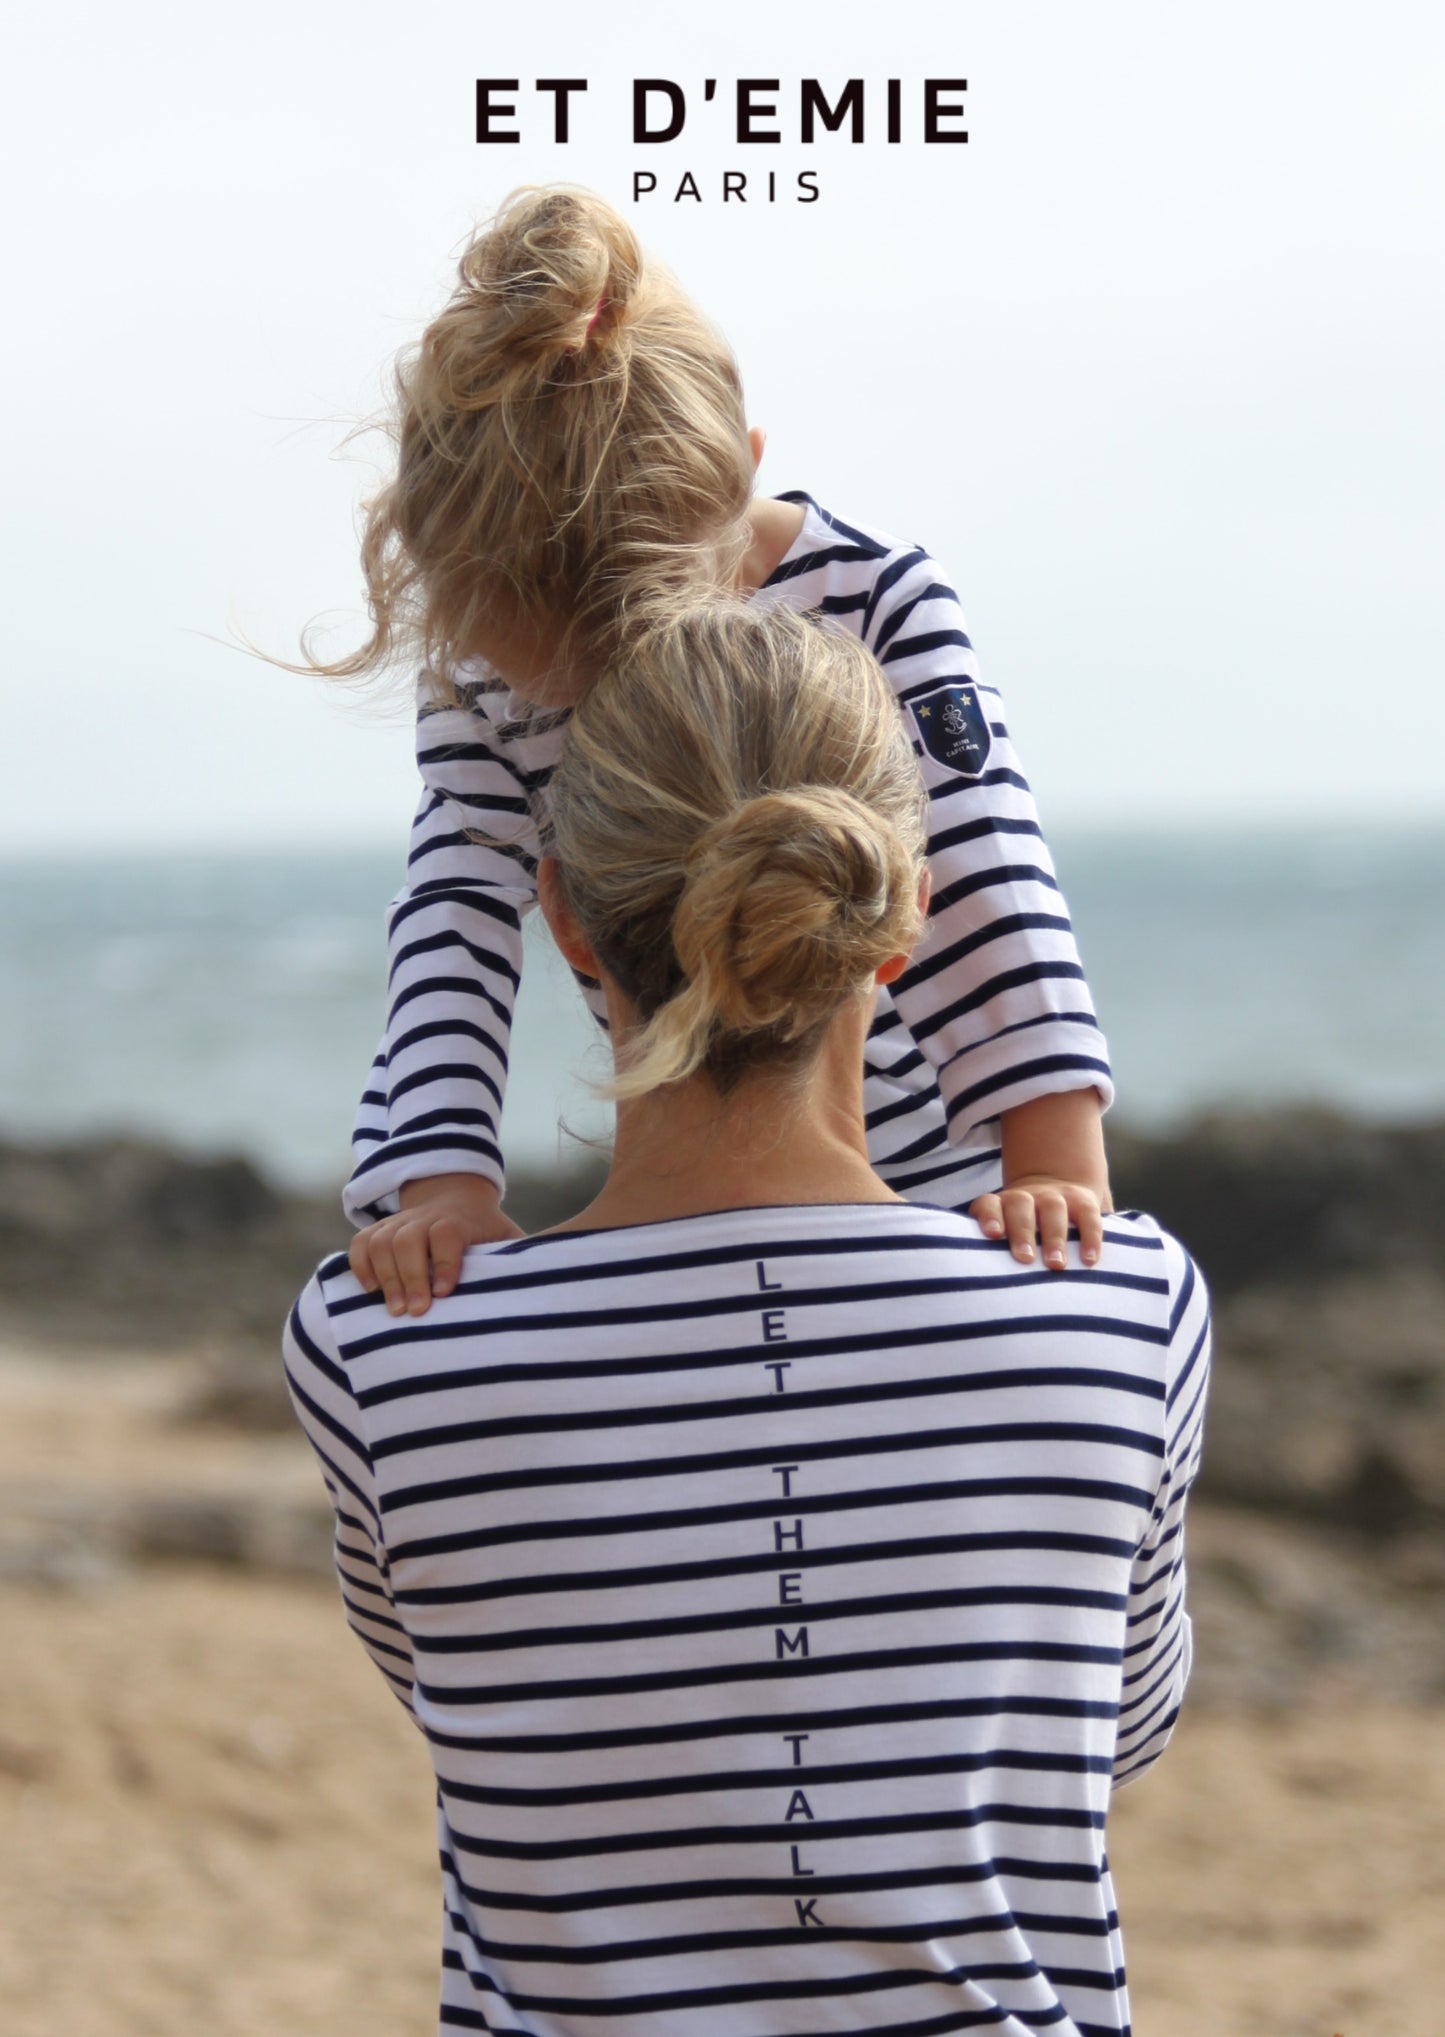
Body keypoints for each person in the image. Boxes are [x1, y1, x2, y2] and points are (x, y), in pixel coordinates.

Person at [284, 602, 1210, 2037]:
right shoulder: (1122, 1313)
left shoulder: (385, 1348)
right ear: (902, 913)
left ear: (567, 920)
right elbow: (1121, 1733)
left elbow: (484, 1713)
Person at [313, 184, 1116, 1316]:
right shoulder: (482, 676)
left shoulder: (877, 603)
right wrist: (439, 1182)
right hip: (687, 1170)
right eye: (557, 670)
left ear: (739, 478)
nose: (590, 696)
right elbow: (453, 923)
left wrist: (1051, 1163)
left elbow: (989, 881)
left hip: (940, 1184)